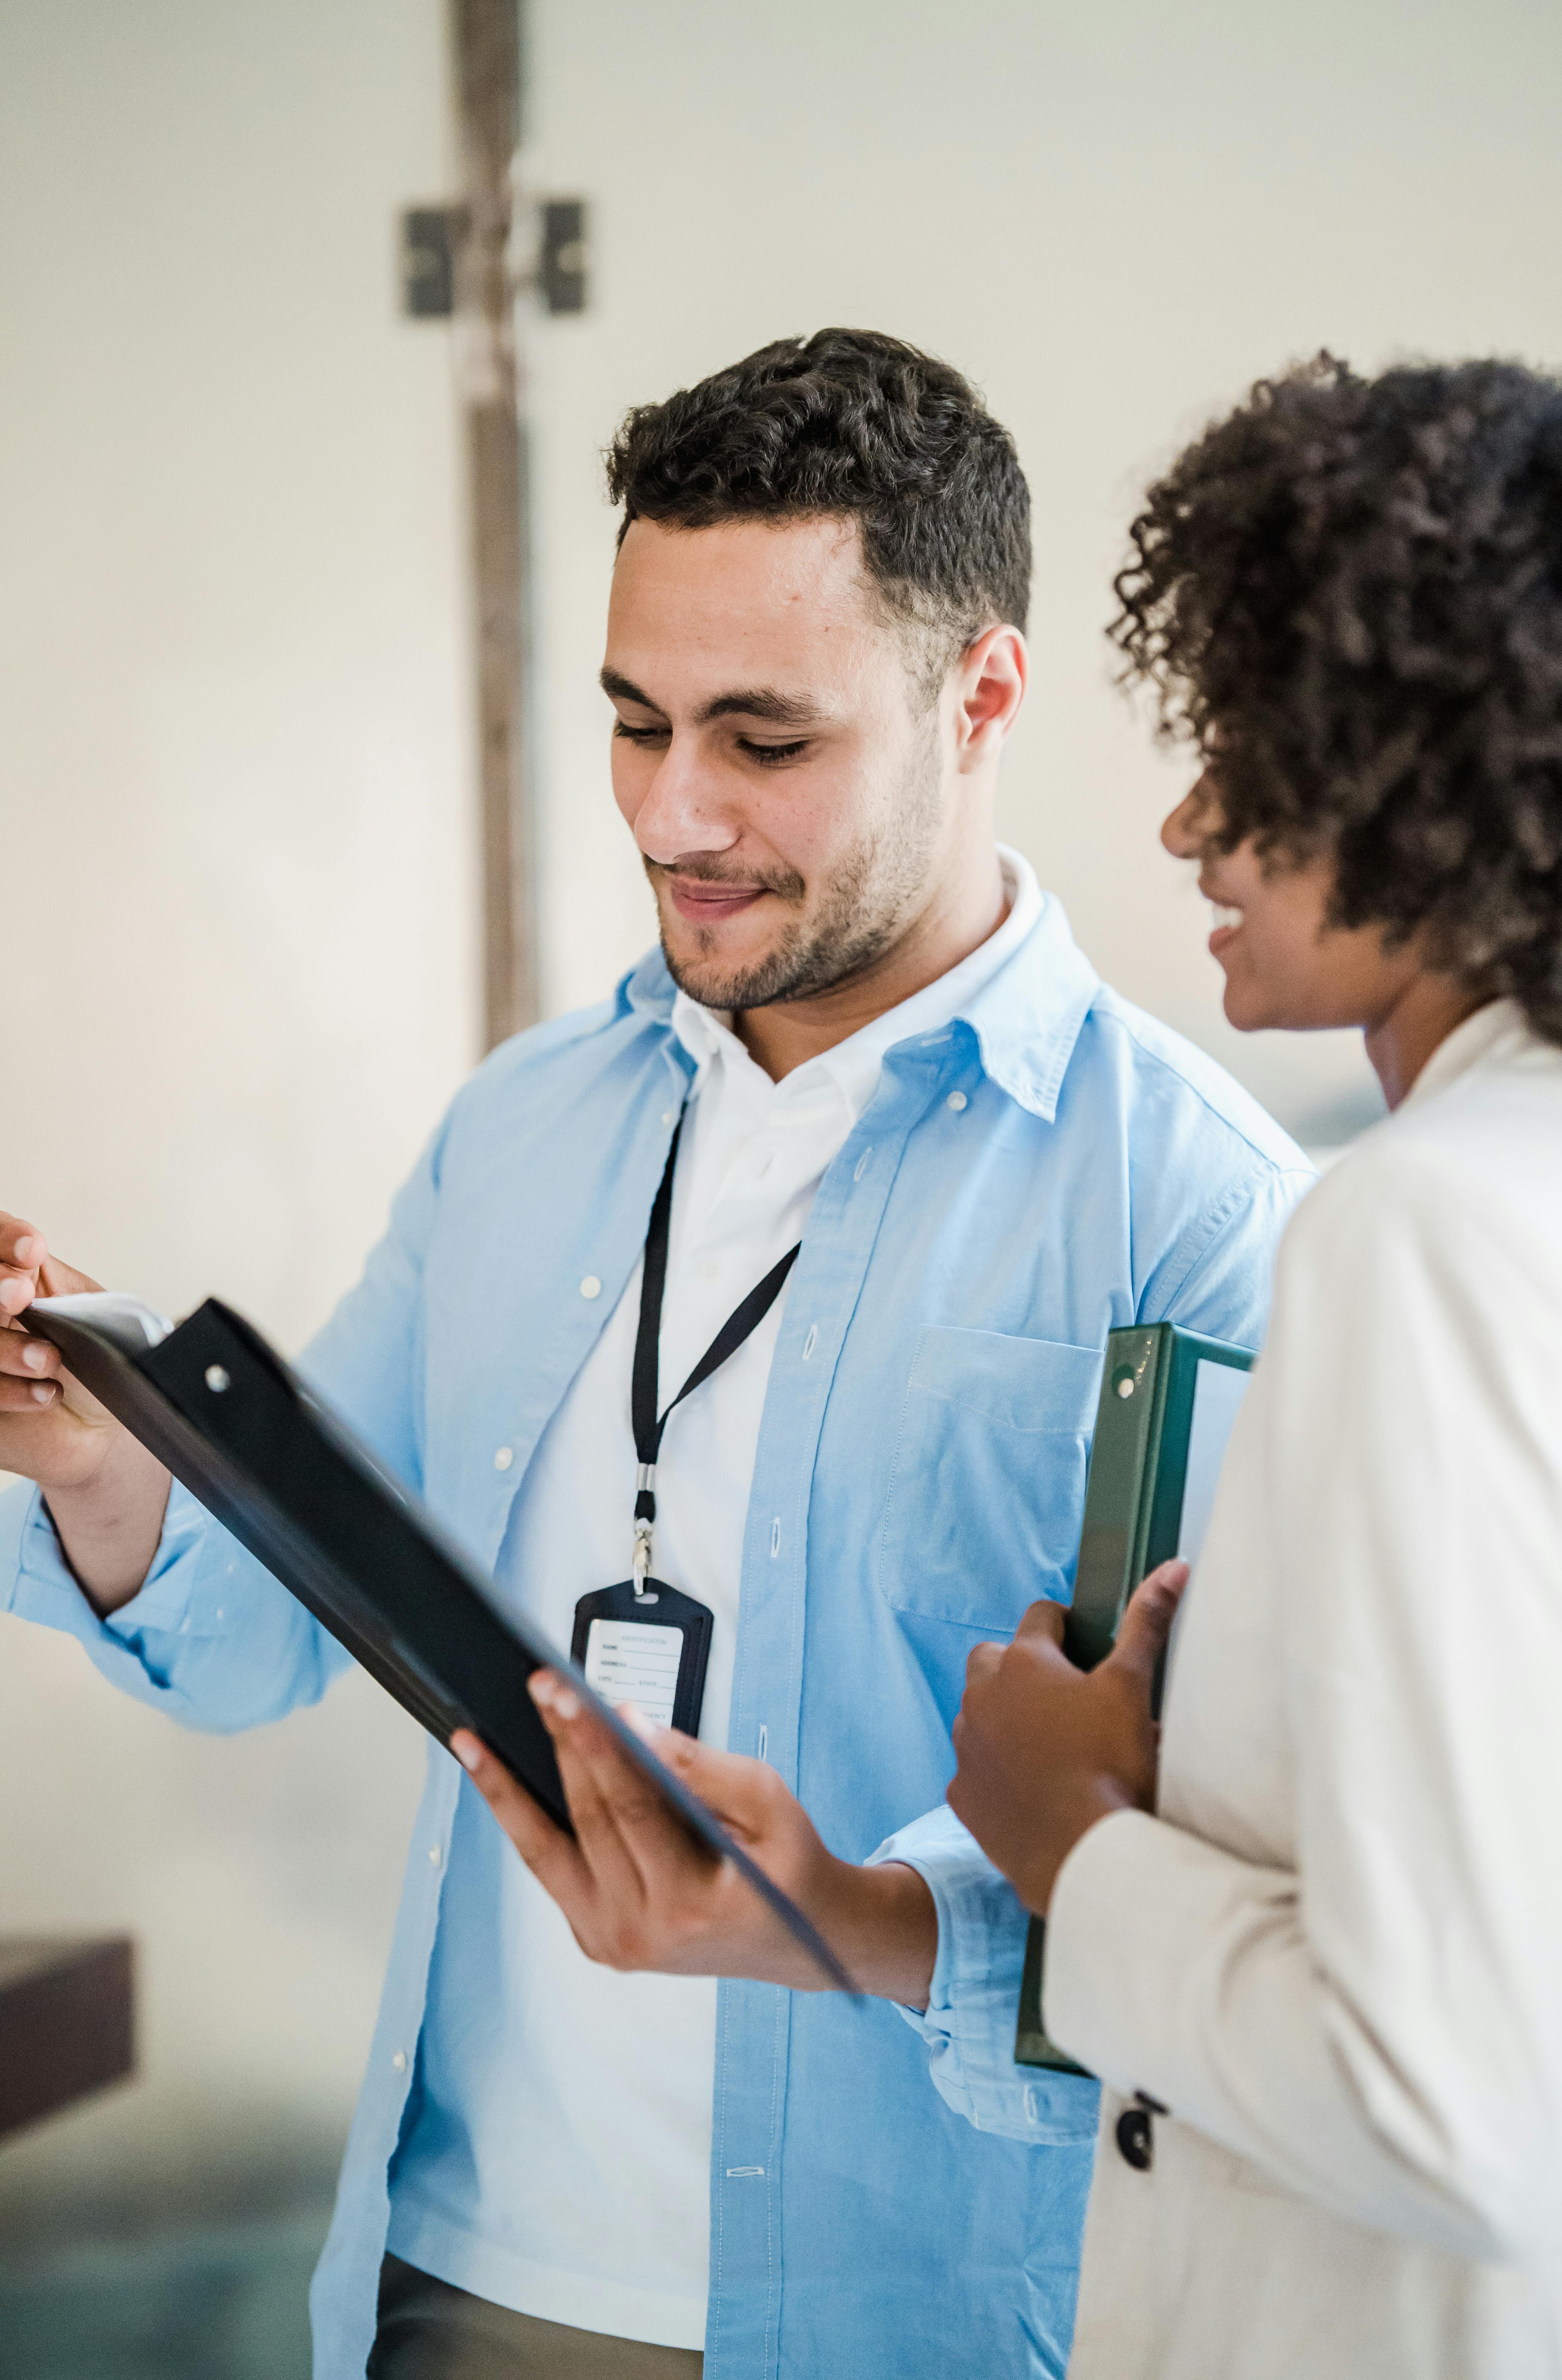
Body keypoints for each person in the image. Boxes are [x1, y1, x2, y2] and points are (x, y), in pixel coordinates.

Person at [0, 330, 1310, 2380]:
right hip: (467, 2289)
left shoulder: (1202, 1210)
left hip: (924, 2324)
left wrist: (862, 1914)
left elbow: (1242, 1895)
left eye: (762, 741)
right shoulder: (524, 1127)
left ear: (982, 698)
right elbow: (269, 1632)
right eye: (633, 723)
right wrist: (98, 1462)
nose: (674, 813)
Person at [944, 354, 1562, 2378]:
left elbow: (1462, 2105)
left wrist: (1072, 1842)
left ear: (1440, 771)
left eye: (1258, 744)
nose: (1190, 817)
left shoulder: (1427, 1227)